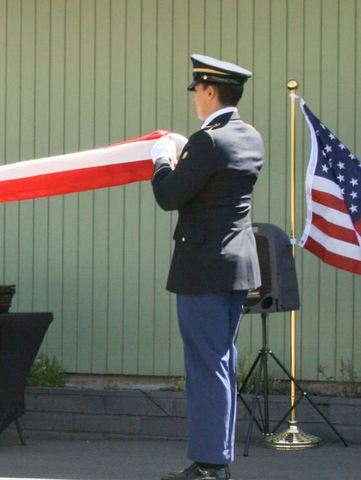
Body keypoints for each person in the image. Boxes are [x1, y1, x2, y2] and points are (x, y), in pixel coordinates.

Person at [150, 54, 264, 480]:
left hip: (203, 267)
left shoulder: (209, 140)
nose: (195, 96)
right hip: (235, 266)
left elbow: (170, 195)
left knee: (206, 365)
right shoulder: (250, 136)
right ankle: (216, 458)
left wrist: (162, 158)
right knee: (220, 362)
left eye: (197, 89)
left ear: (210, 91)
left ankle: (210, 465)